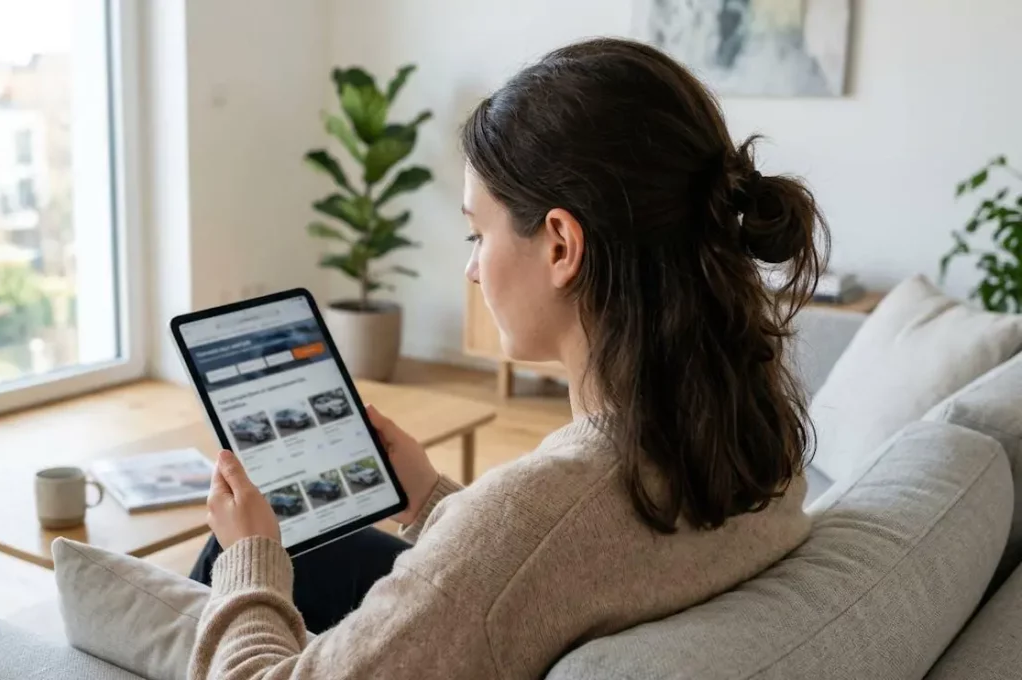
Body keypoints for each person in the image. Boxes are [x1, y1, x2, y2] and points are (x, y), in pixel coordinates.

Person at [187, 37, 826, 680]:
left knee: (236, 548)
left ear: (560, 246)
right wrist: (433, 502)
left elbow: (522, 554)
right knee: (314, 549)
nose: (470, 268)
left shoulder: (529, 512)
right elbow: (561, 569)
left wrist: (248, 559)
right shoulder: (755, 437)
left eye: (477, 232)